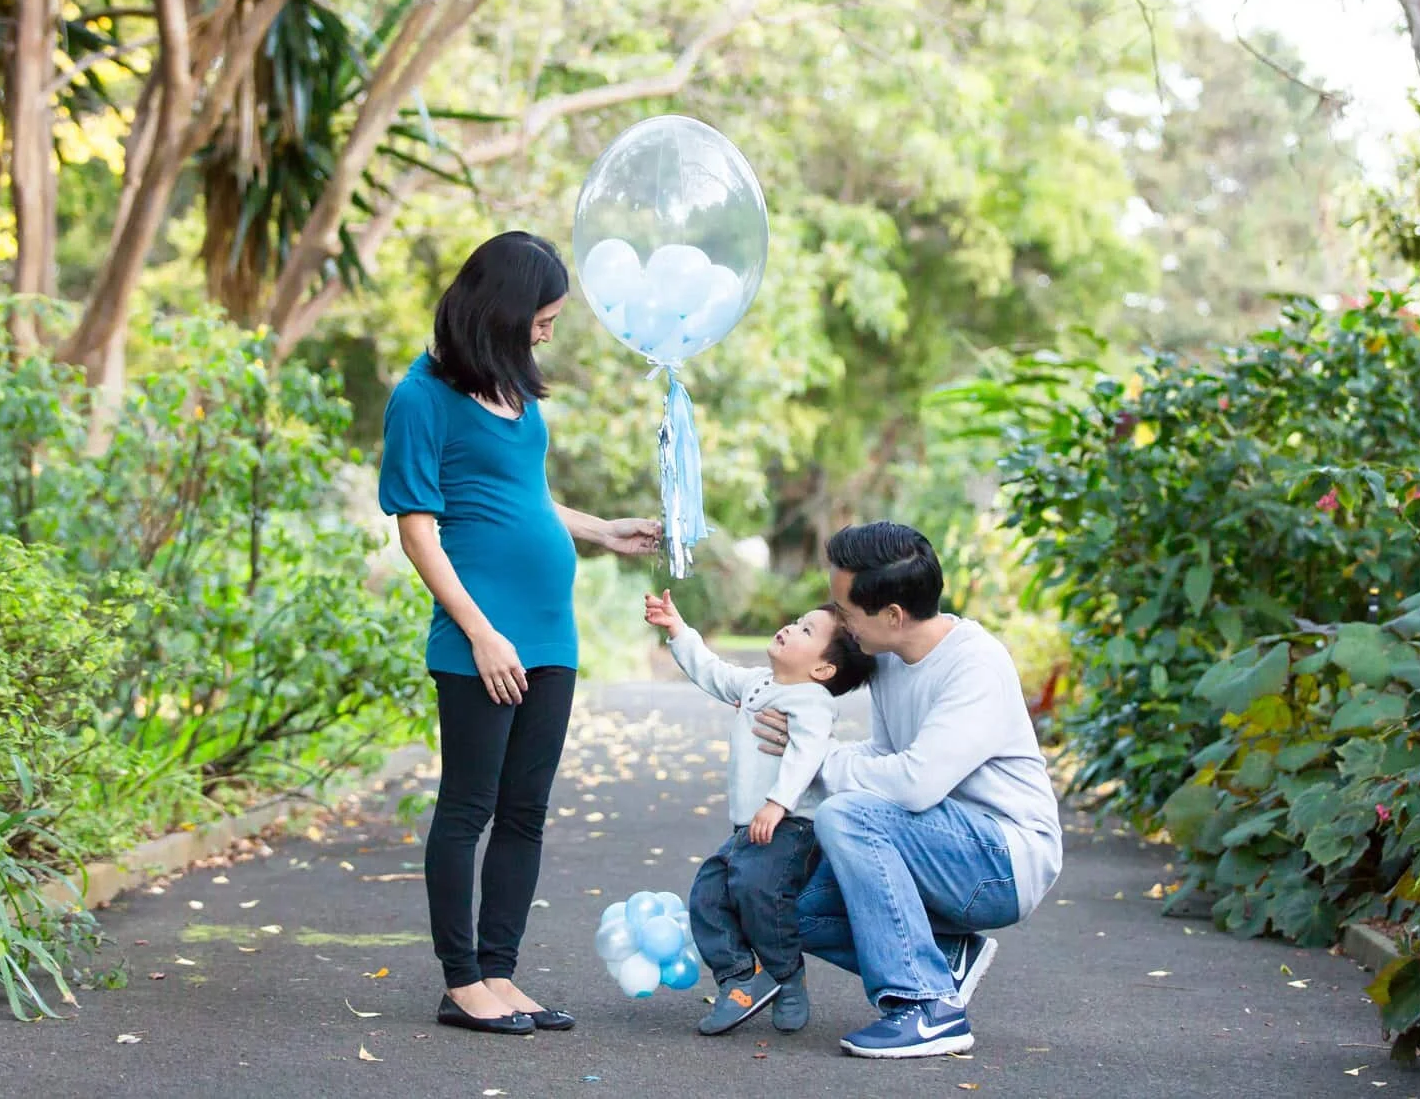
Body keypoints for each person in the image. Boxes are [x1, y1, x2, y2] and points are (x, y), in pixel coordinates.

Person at [378, 231, 661, 1037]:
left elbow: (525, 495)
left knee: (526, 810)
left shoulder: (514, 390)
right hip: (482, 641)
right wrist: (480, 633)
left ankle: (501, 972)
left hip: (549, 633)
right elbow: (419, 531)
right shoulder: (420, 395)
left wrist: (601, 528)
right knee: (468, 807)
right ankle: (460, 980)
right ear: (501, 307)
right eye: (543, 316)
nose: (548, 330)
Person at [754, 521, 1062, 1060]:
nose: (841, 624)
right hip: (936, 847)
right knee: (786, 913)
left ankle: (928, 1006)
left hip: (1004, 860)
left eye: (846, 612)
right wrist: (806, 754)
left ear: (893, 615)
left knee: (847, 816)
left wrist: (819, 762)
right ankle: (944, 958)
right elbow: (882, 757)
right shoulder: (893, 659)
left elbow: (914, 783)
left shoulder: (974, 664)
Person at [642, 590, 874, 1037]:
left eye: (807, 630)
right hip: (750, 827)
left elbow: (808, 754)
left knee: (757, 891)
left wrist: (778, 802)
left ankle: (787, 978)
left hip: (790, 825)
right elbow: (712, 672)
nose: (790, 627)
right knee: (708, 894)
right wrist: (677, 629)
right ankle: (740, 981)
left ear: (823, 669)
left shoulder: (812, 701)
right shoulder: (756, 683)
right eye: (796, 620)